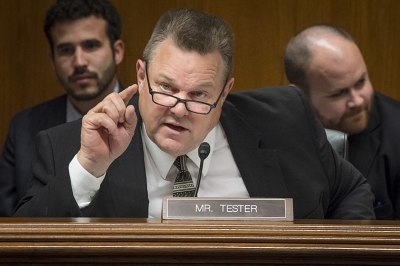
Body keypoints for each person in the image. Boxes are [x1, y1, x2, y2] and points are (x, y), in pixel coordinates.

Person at [14, 8, 375, 219]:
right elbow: (23, 244)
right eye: (166, 89)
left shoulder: (285, 121)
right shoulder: (74, 146)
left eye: (199, 95)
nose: (179, 109)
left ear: (225, 92)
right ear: (141, 76)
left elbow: (352, 190)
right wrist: (90, 168)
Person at [0, 0, 125, 216]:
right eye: (66, 50)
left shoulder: (150, 119)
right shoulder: (24, 129)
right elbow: (8, 223)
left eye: (91, 46)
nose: (79, 61)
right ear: (52, 59)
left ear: (117, 51)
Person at [284, 24, 400, 219]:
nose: (358, 101)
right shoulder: (273, 134)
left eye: (361, 82)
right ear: (300, 95)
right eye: (339, 93)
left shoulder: (396, 132)